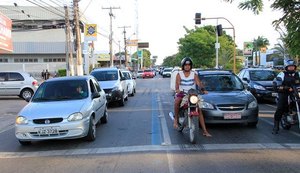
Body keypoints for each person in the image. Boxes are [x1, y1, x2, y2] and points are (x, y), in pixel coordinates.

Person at [173, 57, 212, 137]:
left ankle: (204, 131)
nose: (187, 66)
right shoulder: (179, 74)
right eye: (186, 65)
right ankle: (176, 120)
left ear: (191, 66)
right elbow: (177, 86)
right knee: (177, 101)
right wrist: (177, 90)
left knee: (199, 109)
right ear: (183, 66)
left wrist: (203, 89)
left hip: (192, 94)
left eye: (189, 65)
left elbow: (198, 83)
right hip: (182, 93)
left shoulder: (194, 74)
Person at [272, 59, 300, 134]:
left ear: (295, 67)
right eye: (289, 67)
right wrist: (284, 87)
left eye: (292, 66)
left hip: (296, 92)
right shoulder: (282, 74)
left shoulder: (298, 74)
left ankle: (294, 115)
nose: (291, 68)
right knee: (280, 107)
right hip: (284, 93)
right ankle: (276, 126)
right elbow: (277, 84)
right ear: (286, 67)